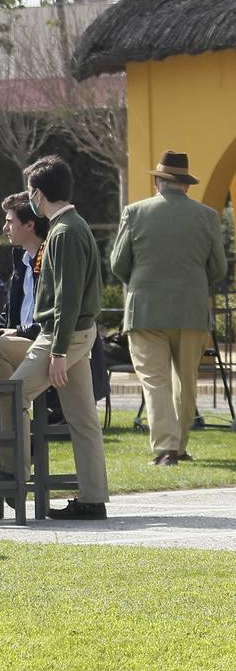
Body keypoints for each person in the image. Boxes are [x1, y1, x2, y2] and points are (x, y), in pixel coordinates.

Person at [110, 151, 227, 466]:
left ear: (158, 182)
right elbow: (218, 268)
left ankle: (165, 449)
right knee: (185, 381)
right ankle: (181, 446)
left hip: (146, 310)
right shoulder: (207, 216)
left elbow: (118, 264)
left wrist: (140, 283)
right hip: (191, 310)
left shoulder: (135, 213)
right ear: (186, 185)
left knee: (155, 380)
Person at [9, 154, 109, 519]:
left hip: (62, 334)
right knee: (83, 417)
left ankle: (13, 478)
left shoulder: (64, 231)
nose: (28, 198)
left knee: (12, 395)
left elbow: (66, 299)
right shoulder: (74, 226)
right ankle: (93, 498)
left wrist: (59, 352)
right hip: (77, 332)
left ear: (38, 192)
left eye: (29, 191)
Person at [0, 192, 50, 473]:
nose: (4, 228)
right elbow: (8, 313)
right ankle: (23, 435)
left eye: (9, 221)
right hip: (15, 346)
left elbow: (51, 319)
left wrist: (15, 332)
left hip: (40, 344)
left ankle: (11, 472)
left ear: (29, 225)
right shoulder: (20, 259)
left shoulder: (50, 257)